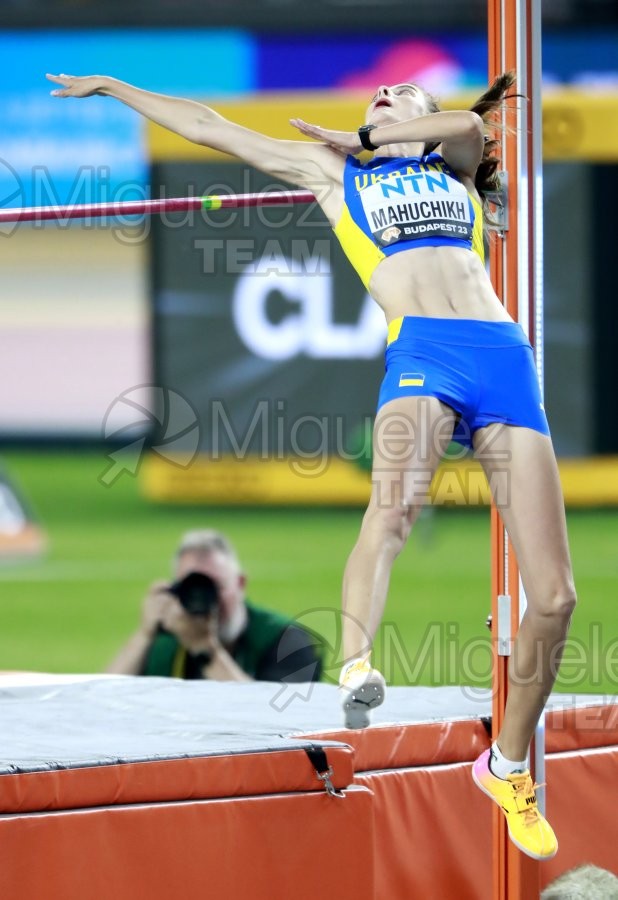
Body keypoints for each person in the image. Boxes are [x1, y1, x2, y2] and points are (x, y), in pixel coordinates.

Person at [48, 70, 576, 861]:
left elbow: (468, 126)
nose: (389, 93)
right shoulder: (334, 174)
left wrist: (365, 135)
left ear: (422, 119)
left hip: (503, 358)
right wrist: (117, 89)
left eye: (405, 94)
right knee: (391, 515)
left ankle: (505, 765)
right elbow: (208, 123)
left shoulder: (451, 164)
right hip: (423, 354)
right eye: (380, 93)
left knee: (558, 598)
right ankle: (358, 663)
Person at [106, 529, 323, 683]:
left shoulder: (288, 641)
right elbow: (104, 698)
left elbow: (275, 719)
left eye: (215, 586)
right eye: (191, 587)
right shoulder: (168, 641)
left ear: (240, 583)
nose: (208, 601)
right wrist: (144, 635)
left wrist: (207, 651)